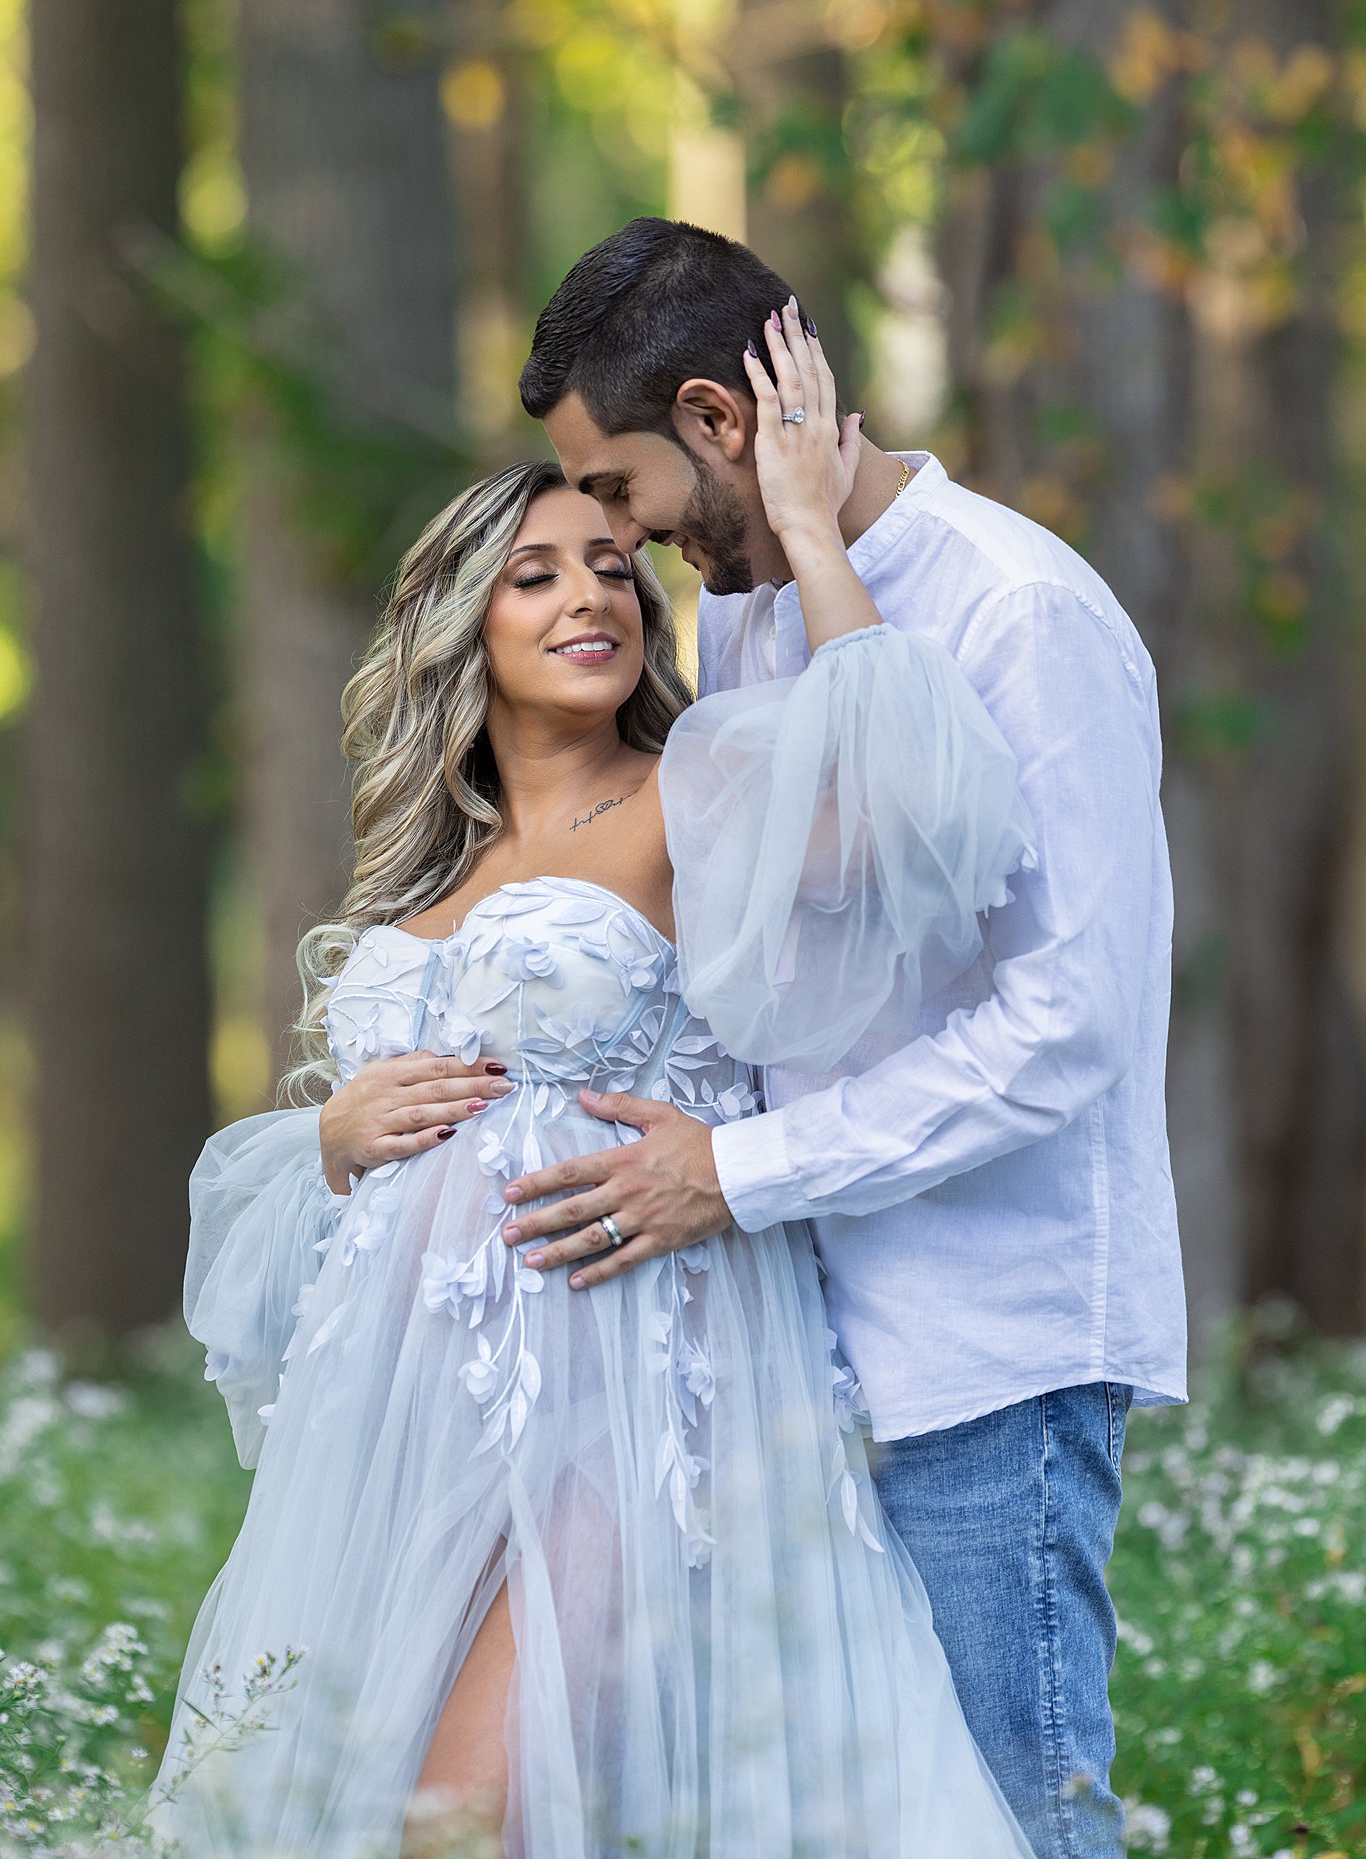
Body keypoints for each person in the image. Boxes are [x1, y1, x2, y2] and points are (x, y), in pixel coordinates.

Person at [147, 319, 1040, 1858]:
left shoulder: (697, 795)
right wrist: (331, 1139)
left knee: (468, 1812)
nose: (591, 596)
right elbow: (325, 1193)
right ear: (460, 624)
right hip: (398, 1445)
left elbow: (925, 825)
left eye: (615, 567)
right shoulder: (420, 878)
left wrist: (811, 532)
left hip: (628, 1405)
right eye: (537, 574)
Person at [478, 217, 1186, 1859]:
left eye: (622, 491)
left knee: (1013, 1816)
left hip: (983, 1345)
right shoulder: (744, 613)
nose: (622, 541)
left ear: (718, 418)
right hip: (790, 1335)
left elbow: (1063, 1023)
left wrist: (736, 1175)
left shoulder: (1018, 611)